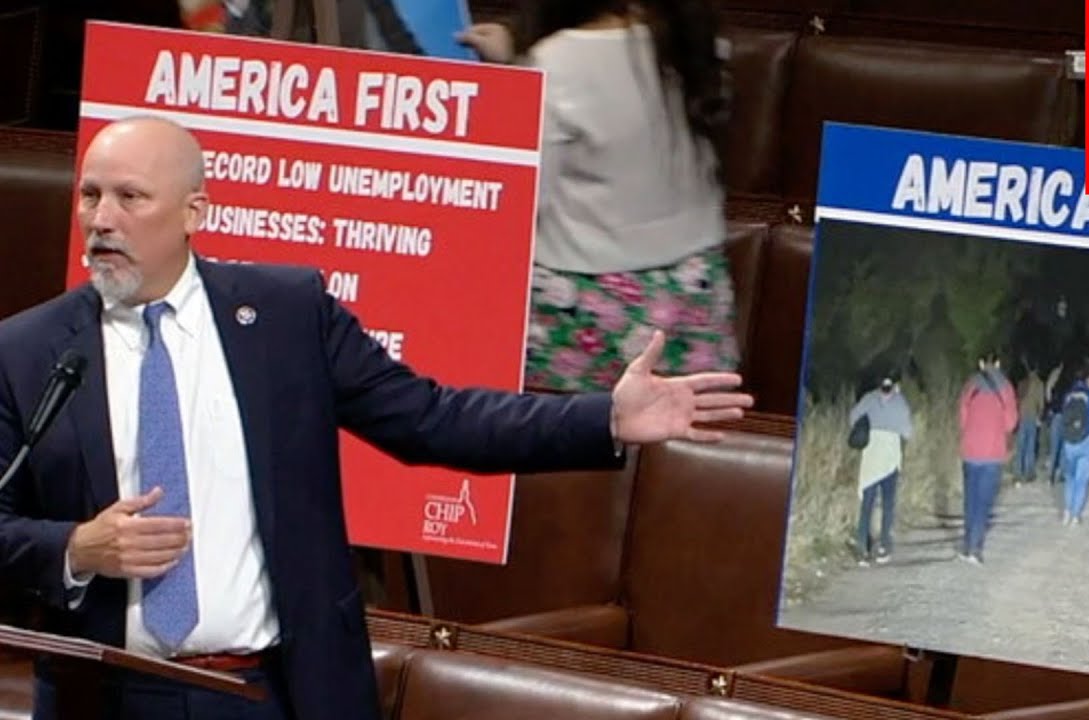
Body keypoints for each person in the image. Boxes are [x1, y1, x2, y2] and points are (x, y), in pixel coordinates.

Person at [0, 117, 754, 720]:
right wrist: (77, 546)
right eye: (89, 195)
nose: (101, 218)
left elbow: (434, 419)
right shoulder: (29, 349)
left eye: (130, 198)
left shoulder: (286, 317)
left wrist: (605, 420)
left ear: (197, 210)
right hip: (109, 697)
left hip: (272, 692)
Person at [458, 0, 738, 392]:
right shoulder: (695, 41)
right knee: (682, 449)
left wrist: (521, 71)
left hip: (584, 312)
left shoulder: (556, 63)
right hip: (697, 301)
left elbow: (520, 205)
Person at [846, 374, 913, 566]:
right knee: (887, 503)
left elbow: (852, 418)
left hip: (871, 454)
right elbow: (908, 432)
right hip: (890, 456)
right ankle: (884, 545)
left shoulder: (869, 399)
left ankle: (862, 548)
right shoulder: (901, 403)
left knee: (867, 502)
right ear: (895, 385)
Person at [957, 352, 1017, 564]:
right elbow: (1010, 423)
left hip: (970, 450)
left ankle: (966, 543)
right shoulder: (1006, 388)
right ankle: (975, 547)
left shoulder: (970, 385)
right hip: (993, 453)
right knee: (984, 502)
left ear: (981, 362)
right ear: (998, 363)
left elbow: (962, 418)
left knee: (970, 499)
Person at [1058, 368, 1089, 526]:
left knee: (1070, 478)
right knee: (1082, 481)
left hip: (1069, 441)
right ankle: (1075, 516)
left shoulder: (1069, 396)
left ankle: (1066, 511)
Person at [1013, 360, 1044, 485]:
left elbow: (1017, 399)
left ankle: (1017, 471)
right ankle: (1029, 471)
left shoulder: (1022, 382)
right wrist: (1040, 416)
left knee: (1020, 445)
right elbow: (1041, 403)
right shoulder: (1039, 384)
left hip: (1021, 415)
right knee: (1030, 445)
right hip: (1032, 416)